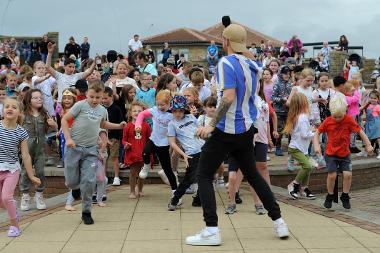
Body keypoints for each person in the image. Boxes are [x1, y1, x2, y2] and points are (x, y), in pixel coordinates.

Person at [185, 24, 289, 246]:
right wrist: (236, 42)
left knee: (203, 175)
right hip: (246, 130)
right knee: (253, 175)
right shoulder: (254, 66)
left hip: (225, 130)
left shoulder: (224, 63)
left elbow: (229, 96)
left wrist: (211, 125)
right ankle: (279, 221)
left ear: (225, 42)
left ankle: (211, 229)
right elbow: (249, 57)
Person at [61, 80, 126, 225]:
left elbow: (102, 124)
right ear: (87, 94)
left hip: (91, 149)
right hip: (74, 147)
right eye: (91, 97)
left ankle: (86, 212)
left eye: (98, 97)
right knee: (71, 180)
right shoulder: (80, 105)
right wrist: (68, 138)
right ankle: (75, 188)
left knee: (89, 181)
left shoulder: (102, 110)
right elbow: (65, 120)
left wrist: (118, 126)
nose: (94, 100)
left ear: (102, 95)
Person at [314, 95, 373, 210]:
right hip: (331, 153)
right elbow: (317, 133)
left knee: (348, 174)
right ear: (331, 112)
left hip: (345, 153)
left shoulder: (348, 120)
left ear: (345, 111)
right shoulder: (328, 121)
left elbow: (360, 131)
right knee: (332, 175)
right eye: (335, 116)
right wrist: (316, 146)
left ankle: (345, 195)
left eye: (340, 116)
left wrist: (368, 144)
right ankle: (330, 195)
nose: (337, 119)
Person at [0, 97, 41, 237]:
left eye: (14, 107)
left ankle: (15, 225)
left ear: (19, 112)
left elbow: (25, 156)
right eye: (7, 106)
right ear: (3, 110)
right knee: (2, 201)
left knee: (6, 197)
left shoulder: (21, 132)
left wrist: (31, 175)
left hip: (12, 169)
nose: (9, 109)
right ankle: (13, 210)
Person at [19, 89, 58, 211]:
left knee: (41, 171)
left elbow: (55, 129)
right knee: (25, 172)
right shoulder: (23, 115)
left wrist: (54, 125)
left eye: (40, 97)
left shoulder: (44, 114)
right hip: (26, 150)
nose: (39, 99)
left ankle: (39, 194)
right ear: (29, 100)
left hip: (40, 149)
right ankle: (25, 195)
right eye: (35, 97)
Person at [135, 90, 178, 192]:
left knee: (167, 169)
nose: (160, 107)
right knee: (145, 152)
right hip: (153, 139)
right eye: (158, 104)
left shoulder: (172, 114)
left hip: (164, 144)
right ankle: (146, 166)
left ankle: (175, 190)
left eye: (163, 105)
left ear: (169, 104)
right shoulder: (154, 110)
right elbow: (141, 114)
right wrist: (138, 125)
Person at [167, 95, 205, 211]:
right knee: (189, 178)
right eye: (175, 111)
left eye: (181, 110)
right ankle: (175, 200)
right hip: (191, 153)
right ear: (172, 111)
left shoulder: (191, 118)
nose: (178, 113)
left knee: (205, 175)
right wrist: (183, 154)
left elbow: (200, 130)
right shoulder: (172, 124)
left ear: (185, 110)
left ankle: (198, 199)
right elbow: (172, 143)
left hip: (204, 148)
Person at [284, 93, 316, 199]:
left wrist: (311, 130)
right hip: (296, 148)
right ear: (303, 103)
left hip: (301, 148)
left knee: (307, 167)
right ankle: (294, 185)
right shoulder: (302, 117)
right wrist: (315, 132)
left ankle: (304, 188)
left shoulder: (298, 116)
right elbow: (305, 134)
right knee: (308, 166)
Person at [122, 101, 151, 199]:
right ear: (130, 113)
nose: (137, 113)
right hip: (132, 153)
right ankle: (132, 191)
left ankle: (140, 190)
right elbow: (123, 140)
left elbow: (149, 139)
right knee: (133, 173)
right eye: (134, 111)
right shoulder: (128, 126)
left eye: (139, 111)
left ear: (143, 112)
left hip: (143, 153)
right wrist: (126, 144)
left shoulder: (146, 125)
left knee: (142, 174)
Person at [102, 87, 124, 186]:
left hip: (114, 136)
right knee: (103, 157)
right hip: (102, 136)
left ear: (111, 97)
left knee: (114, 157)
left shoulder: (116, 108)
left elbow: (121, 123)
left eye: (105, 98)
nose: (103, 100)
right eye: (102, 98)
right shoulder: (101, 108)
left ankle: (116, 177)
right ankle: (103, 176)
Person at [271, 66, 292, 156]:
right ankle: (278, 147)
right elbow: (273, 98)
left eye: (288, 74)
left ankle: (291, 147)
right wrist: (282, 99)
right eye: (285, 74)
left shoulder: (290, 84)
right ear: (280, 74)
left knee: (290, 129)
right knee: (279, 130)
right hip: (279, 111)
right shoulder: (277, 84)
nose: (287, 75)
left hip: (289, 110)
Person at [363, 90, 380, 159]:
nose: (373, 99)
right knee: (368, 137)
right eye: (371, 98)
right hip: (369, 123)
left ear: (378, 99)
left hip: (376, 123)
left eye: (375, 98)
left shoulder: (378, 106)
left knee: (378, 137)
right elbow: (365, 114)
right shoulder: (368, 106)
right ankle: (369, 151)